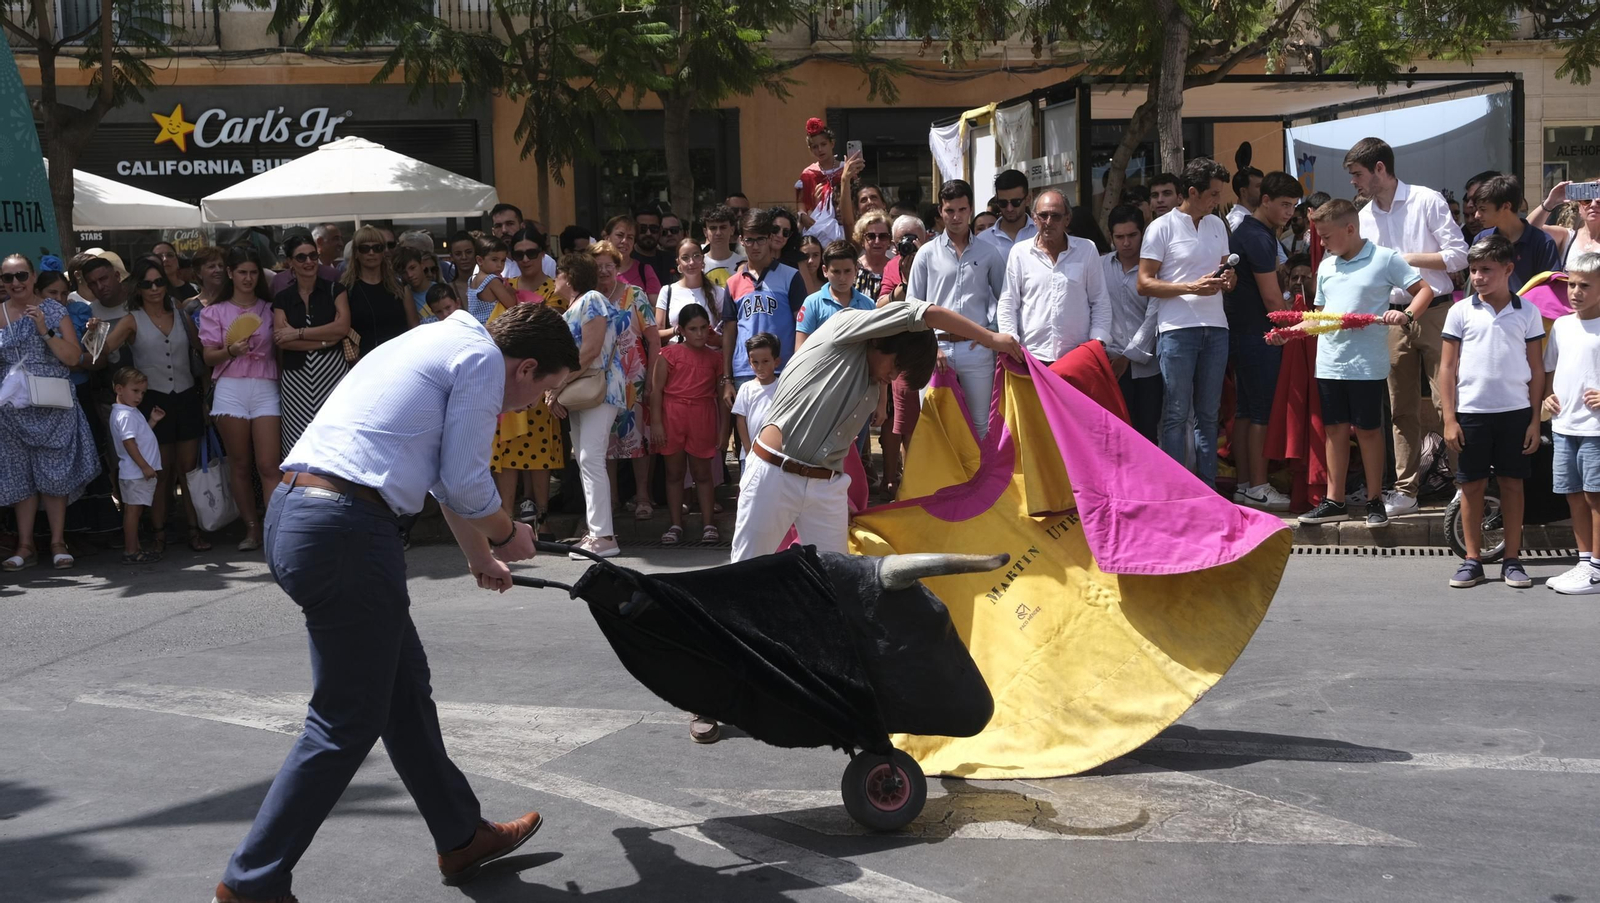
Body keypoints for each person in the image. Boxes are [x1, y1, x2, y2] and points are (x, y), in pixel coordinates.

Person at [210, 300, 575, 903]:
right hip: (347, 530)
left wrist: (479, 556)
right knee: (345, 720)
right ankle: (252, 883)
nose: (531, 405)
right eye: (541, 391)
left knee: (403, 693)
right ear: (526, 366)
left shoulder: (436, 340)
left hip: (301, 515)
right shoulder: (483, 361)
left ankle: (461, 835)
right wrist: (507, 532)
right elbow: (466, 483)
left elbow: (443, 478)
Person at [730, 298, 1021, 561]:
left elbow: (835, 445)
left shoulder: (870, 391)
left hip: (826, 487)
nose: (893, 375)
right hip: (774, 472)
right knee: (743, 574)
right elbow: (926, 314)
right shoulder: (842, 329)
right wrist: (991, 338)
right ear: (882, 338)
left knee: (836, 584)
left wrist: (837, 496)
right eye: (896, 364)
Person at [1346, 136, 1470, 517]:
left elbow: (1459, 256)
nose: (1354, 182)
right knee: (1400, 408)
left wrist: (1404, 259)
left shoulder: (1426, 200)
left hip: (1436, 311)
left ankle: (1464, 484)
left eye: (1358, 174)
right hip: (1390, 316)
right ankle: (1406, 490)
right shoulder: (1364, 216)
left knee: (1448, 401)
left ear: (1380, 168)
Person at [1290, 199, 1432, 527]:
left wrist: (1407, 314)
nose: (1322, 242)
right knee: (1334, 431)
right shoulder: (1327, 266)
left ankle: (1374, 499)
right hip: (1329, 363)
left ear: (1350, 228)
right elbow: (1320, 316)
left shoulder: (1385, 258)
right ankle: (1334, 500)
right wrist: (1291, 332)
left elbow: (1423, 290)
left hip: (1367, 364)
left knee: (1369, 431)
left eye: (1326, 236)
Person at [1439, 235, 1544, 590]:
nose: (1478, 277)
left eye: (1486, 269)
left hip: (1515, 413)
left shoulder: (1527, 312)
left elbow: (1536, 369)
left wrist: (1534, 420)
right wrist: (1449, 418)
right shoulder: (1459, 311)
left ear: (1508, 269)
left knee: (1513, 484)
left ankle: (1512, 560)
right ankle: (1472, 560)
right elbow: (1447, 368)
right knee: (1472, 486)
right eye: (1473, 270)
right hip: (1471, 413)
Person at [91, 256, 211, 553]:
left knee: (189, 470)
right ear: (138, 287)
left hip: (186, 397)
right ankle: (159, 533)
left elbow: (202, 352)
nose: (154, 288)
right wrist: (93, 332)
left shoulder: (180, 312)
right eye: (147, 284)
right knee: (161, 471)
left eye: (159, 282)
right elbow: (101, 353)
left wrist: (208, 397)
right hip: (154, 401)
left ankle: (194, 529)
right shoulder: (131, 319)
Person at [1138, 157, 1238, 487]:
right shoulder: (1161, 227)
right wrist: (1190, 287)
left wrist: (1228, 279)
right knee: (1176, 413)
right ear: (1193, 192)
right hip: (1177, 330)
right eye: (1213, 194)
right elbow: (1144, 283)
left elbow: (1225, 272)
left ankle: (1207, 488)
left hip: (1216, 328)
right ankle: (1175, 490)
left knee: (1209, 415)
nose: (1217, 200)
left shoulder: (1217, 225)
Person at [0, 254, 98, 571]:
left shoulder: (55, 310)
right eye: (8, 277)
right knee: (21, 476)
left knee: (54, 474)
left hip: (52, 405)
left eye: (21, 275)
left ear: (32, 277)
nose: (15, 283)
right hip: (13, 408)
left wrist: (44, 329)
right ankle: (25, 545)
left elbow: (73, 357)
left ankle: (58, 542)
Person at [1226, 171, 1303, 510]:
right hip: (1259, 335)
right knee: (1260, 412)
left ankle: (1246, 485)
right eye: (1284, 204)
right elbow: (1272, 299)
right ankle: (1258, 485)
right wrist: (1294, 328)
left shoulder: (1250, 232)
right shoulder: (1258, 236)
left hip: (1243, 333)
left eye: (1294, 206)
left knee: (1246, 411)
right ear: (1265, 200)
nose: (1289, 212)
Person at [907, 178, 1007, 438]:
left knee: (981, 426)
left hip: (976, 349)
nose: (956, 217)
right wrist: (930, 345)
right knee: (933, 426)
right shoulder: (926, 254)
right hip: (935, 348)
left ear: (971, 209)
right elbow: (913, 305)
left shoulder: (989, 252)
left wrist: (990, 333)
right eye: (949, 210)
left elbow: (1005, 298)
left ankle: (980, 469)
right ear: (940, 212)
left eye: (962, 209)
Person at [199, 247, 281, 553]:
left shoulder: (271, 309)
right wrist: (230, 351)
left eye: (253, 272)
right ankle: (251, 528)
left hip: (266, 385)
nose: (248, 278)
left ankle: (274, 529)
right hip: (230, 387)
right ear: (230, 273)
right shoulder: (214, 311)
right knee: (240, 464)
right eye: (242, 272)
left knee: (269, 464)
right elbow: (208, 357)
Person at [552, 251, 629, 559]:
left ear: (569, 276)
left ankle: (603, 536)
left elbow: (590, 350)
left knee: (591, 459)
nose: (554, 279)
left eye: (558, 273)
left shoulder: (592, 299)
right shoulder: (576, 305)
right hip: (583, 390)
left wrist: (557, 386)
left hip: (601, 388)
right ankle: (597, 532)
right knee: (587, 461)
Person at [721, 208, 808, 442]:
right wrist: (727, 379)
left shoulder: (791, 276)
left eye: (760, 239)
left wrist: (800, 368)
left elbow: (802, 325)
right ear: (741, 240)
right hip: (744, 371)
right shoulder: (733, 283)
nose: (755, 246)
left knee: (783, 439)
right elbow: (729, 333)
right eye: (749, 240)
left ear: (770, 238)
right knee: (746, 441)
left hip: (783, 369)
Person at [997, 189, 1111, 366]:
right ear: (1034, 218)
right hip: (1032, 356)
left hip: (1077, 356)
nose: (1048, 222)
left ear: (1067, 219)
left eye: (1056, 216)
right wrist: (1010, 340)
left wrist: (1097, 341)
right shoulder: (1019, 253)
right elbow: (1008, 302)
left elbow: (1100, 300)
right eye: (1043, 215)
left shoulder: (1087, 250)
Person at [1542, 252, 1600, 594]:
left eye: (1585, 286)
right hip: (1564, 426)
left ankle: (1597, 570)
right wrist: (1547, 397)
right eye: (1572, 285)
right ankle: (1584, 561)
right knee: (1574, 496)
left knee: (1596, 498)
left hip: (1596, 430)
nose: (1575, 292)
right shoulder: (1562, 326)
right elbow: (1551, 370)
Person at [592, 240, 660, 520]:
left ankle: (642, 496)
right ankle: (611, 499)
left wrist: (653, 380)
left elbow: (653, 339)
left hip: (634, 377)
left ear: (617, 267)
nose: (604, 270)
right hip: (599, 380)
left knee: (638, 439)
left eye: (609, 265)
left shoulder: (635, 294)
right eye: (598, 266)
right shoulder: (589, 298)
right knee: (604, 441)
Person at [649, 302, 722, 545]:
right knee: (674, 473)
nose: (699, 334)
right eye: (693, 329)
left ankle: (709, 524)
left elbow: (721, 395)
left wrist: (723, 430)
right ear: (681, 330)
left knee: (703, 473)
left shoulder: (715, 358)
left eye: (703, 328)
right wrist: (656, 423)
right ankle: (675, 524)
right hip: (673, 416)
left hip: (703, 415)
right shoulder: (668, 354)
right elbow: (656, 391)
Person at [273, 235, 351, 458]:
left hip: (333, 374)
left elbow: (342, 328)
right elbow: (282, 340)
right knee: (297, 445)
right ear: (290, 262)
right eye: (301, 257)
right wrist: (325, 340)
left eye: (312, 256)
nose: (308, 261)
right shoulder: (283, 298)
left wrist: (297, 333)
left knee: (335, 441)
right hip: (296, 380)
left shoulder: (336, 290)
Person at [1103, 205, 1162, 442]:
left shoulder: (1155, 271)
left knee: (1148, 433)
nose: (1126, 243)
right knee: (1118, 435)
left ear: (1142, 234)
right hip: (1110, 363)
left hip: (1148, 366)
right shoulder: (1099, 267)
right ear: (1111, 236)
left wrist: (1128, 356)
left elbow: (1154, 316)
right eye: (1119, 237)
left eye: (1132, 235)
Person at [1468, 174, 1563, 291]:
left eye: (1483, 209)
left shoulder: (1542, 242)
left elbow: (1550, 289)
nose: (1477, 215)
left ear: (1506, 206)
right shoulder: (1481, 239)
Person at [110, 367, 164, 564]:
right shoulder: (125, 415)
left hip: (135, 473)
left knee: (135, 511)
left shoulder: (130, 412)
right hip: (135, 473)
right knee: (133, 512)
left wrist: (152, 422)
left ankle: (135, 548)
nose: (139, 396)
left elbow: (139, 437)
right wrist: (145, 466)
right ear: (119, 389)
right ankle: (131, 550)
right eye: (135, 391)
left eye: (142, 392)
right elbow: (129, 443)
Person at [340, 225, 416, 357]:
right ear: (356, 253)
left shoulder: (400, 288)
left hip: (400, 359)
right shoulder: (345, 289)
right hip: (363, 361)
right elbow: (343, 333)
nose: (371, 253)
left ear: (383, 252)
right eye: (365, 248)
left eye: (377, 248)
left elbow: (414, 328)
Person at [797, 239, 876, 354]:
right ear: (825, 271)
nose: (842, 278)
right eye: (836, 272)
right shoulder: (812, 303)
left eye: (847, 271)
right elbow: (800, 351)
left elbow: (874, 348)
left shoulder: (869, 305)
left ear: (856, 270)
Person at [795, 117, 862, 246]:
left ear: (832, 143)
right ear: (810, 149)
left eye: (823, 144)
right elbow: (801, 202)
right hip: (818, 227)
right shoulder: (808, 174)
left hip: (845, 226)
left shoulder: (845, 168)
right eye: (815, 147)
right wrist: (803, 216)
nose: (820, 149)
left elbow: (855, 196)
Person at [656, 238, 726, 344]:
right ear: (678, 262)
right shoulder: (667, 291)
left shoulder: (719, 292)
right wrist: (677, 330)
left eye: (696, 256)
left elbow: (729, 333)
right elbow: (656, 335)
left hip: (710, 353)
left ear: (703, 259)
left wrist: (717, 340)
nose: (692, 262)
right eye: (685, 258)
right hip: (676, 352)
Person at [730, 332, 780, 467]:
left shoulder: (782, 387)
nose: (760, 367)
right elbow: (740, 420)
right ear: (749, 362)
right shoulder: (746, 388)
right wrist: (748, 448)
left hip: (777, 456)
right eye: (755, 362)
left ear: (776, 362)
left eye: (765, 361)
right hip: (751, 455)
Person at [1530, 180, 1600, 268]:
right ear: (1579, 209)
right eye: (1587, 200)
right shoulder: (1567, 237)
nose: (1593, 205)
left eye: (1599, 201)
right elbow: (1528, 229)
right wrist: (1550, 202)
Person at [976, 169, 1037, 256]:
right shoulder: (982, 240)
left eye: (1016, 202)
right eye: (1003, 203)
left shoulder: (1040, 234)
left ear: (1028, 200)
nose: (1009, 208)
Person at [604, 215, 663, 298]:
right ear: (607, 238)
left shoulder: (645, 270)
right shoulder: (595, 269)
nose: (624, 241)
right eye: (620, 235)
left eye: (630, 237)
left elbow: (657, 305)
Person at [466, 236, 517, 325]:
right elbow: (512, 305)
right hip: (491, 328)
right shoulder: (492, 281)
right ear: (480, 260)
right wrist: (511, 291)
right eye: (494, 260)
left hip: (475, 327)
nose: (499, 265)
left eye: (503, 260)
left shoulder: (471, 280)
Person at [701, 205, 746, 289]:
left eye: (723, 227)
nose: (718, 233)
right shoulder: (698, 264)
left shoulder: (744, 264)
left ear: (732, 230)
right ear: (705, 232)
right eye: (713, 228)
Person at [853, 210, 893, 300]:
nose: (877, 241)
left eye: (883, 236)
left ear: (890, 240)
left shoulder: (895, 269)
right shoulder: (853, 269)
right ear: (861, 240)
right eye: (871, 236)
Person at [632, 207, 672, 284]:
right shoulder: (625, 260)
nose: (648, 233)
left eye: (653, 228)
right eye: (642, 228)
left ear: (660, 230)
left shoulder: (672, 261)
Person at [396, 247, 436, 323]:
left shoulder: (442, 289)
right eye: (404, 272)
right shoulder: (404, 299)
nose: (409, 275)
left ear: (422, 265)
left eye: (412, 268)